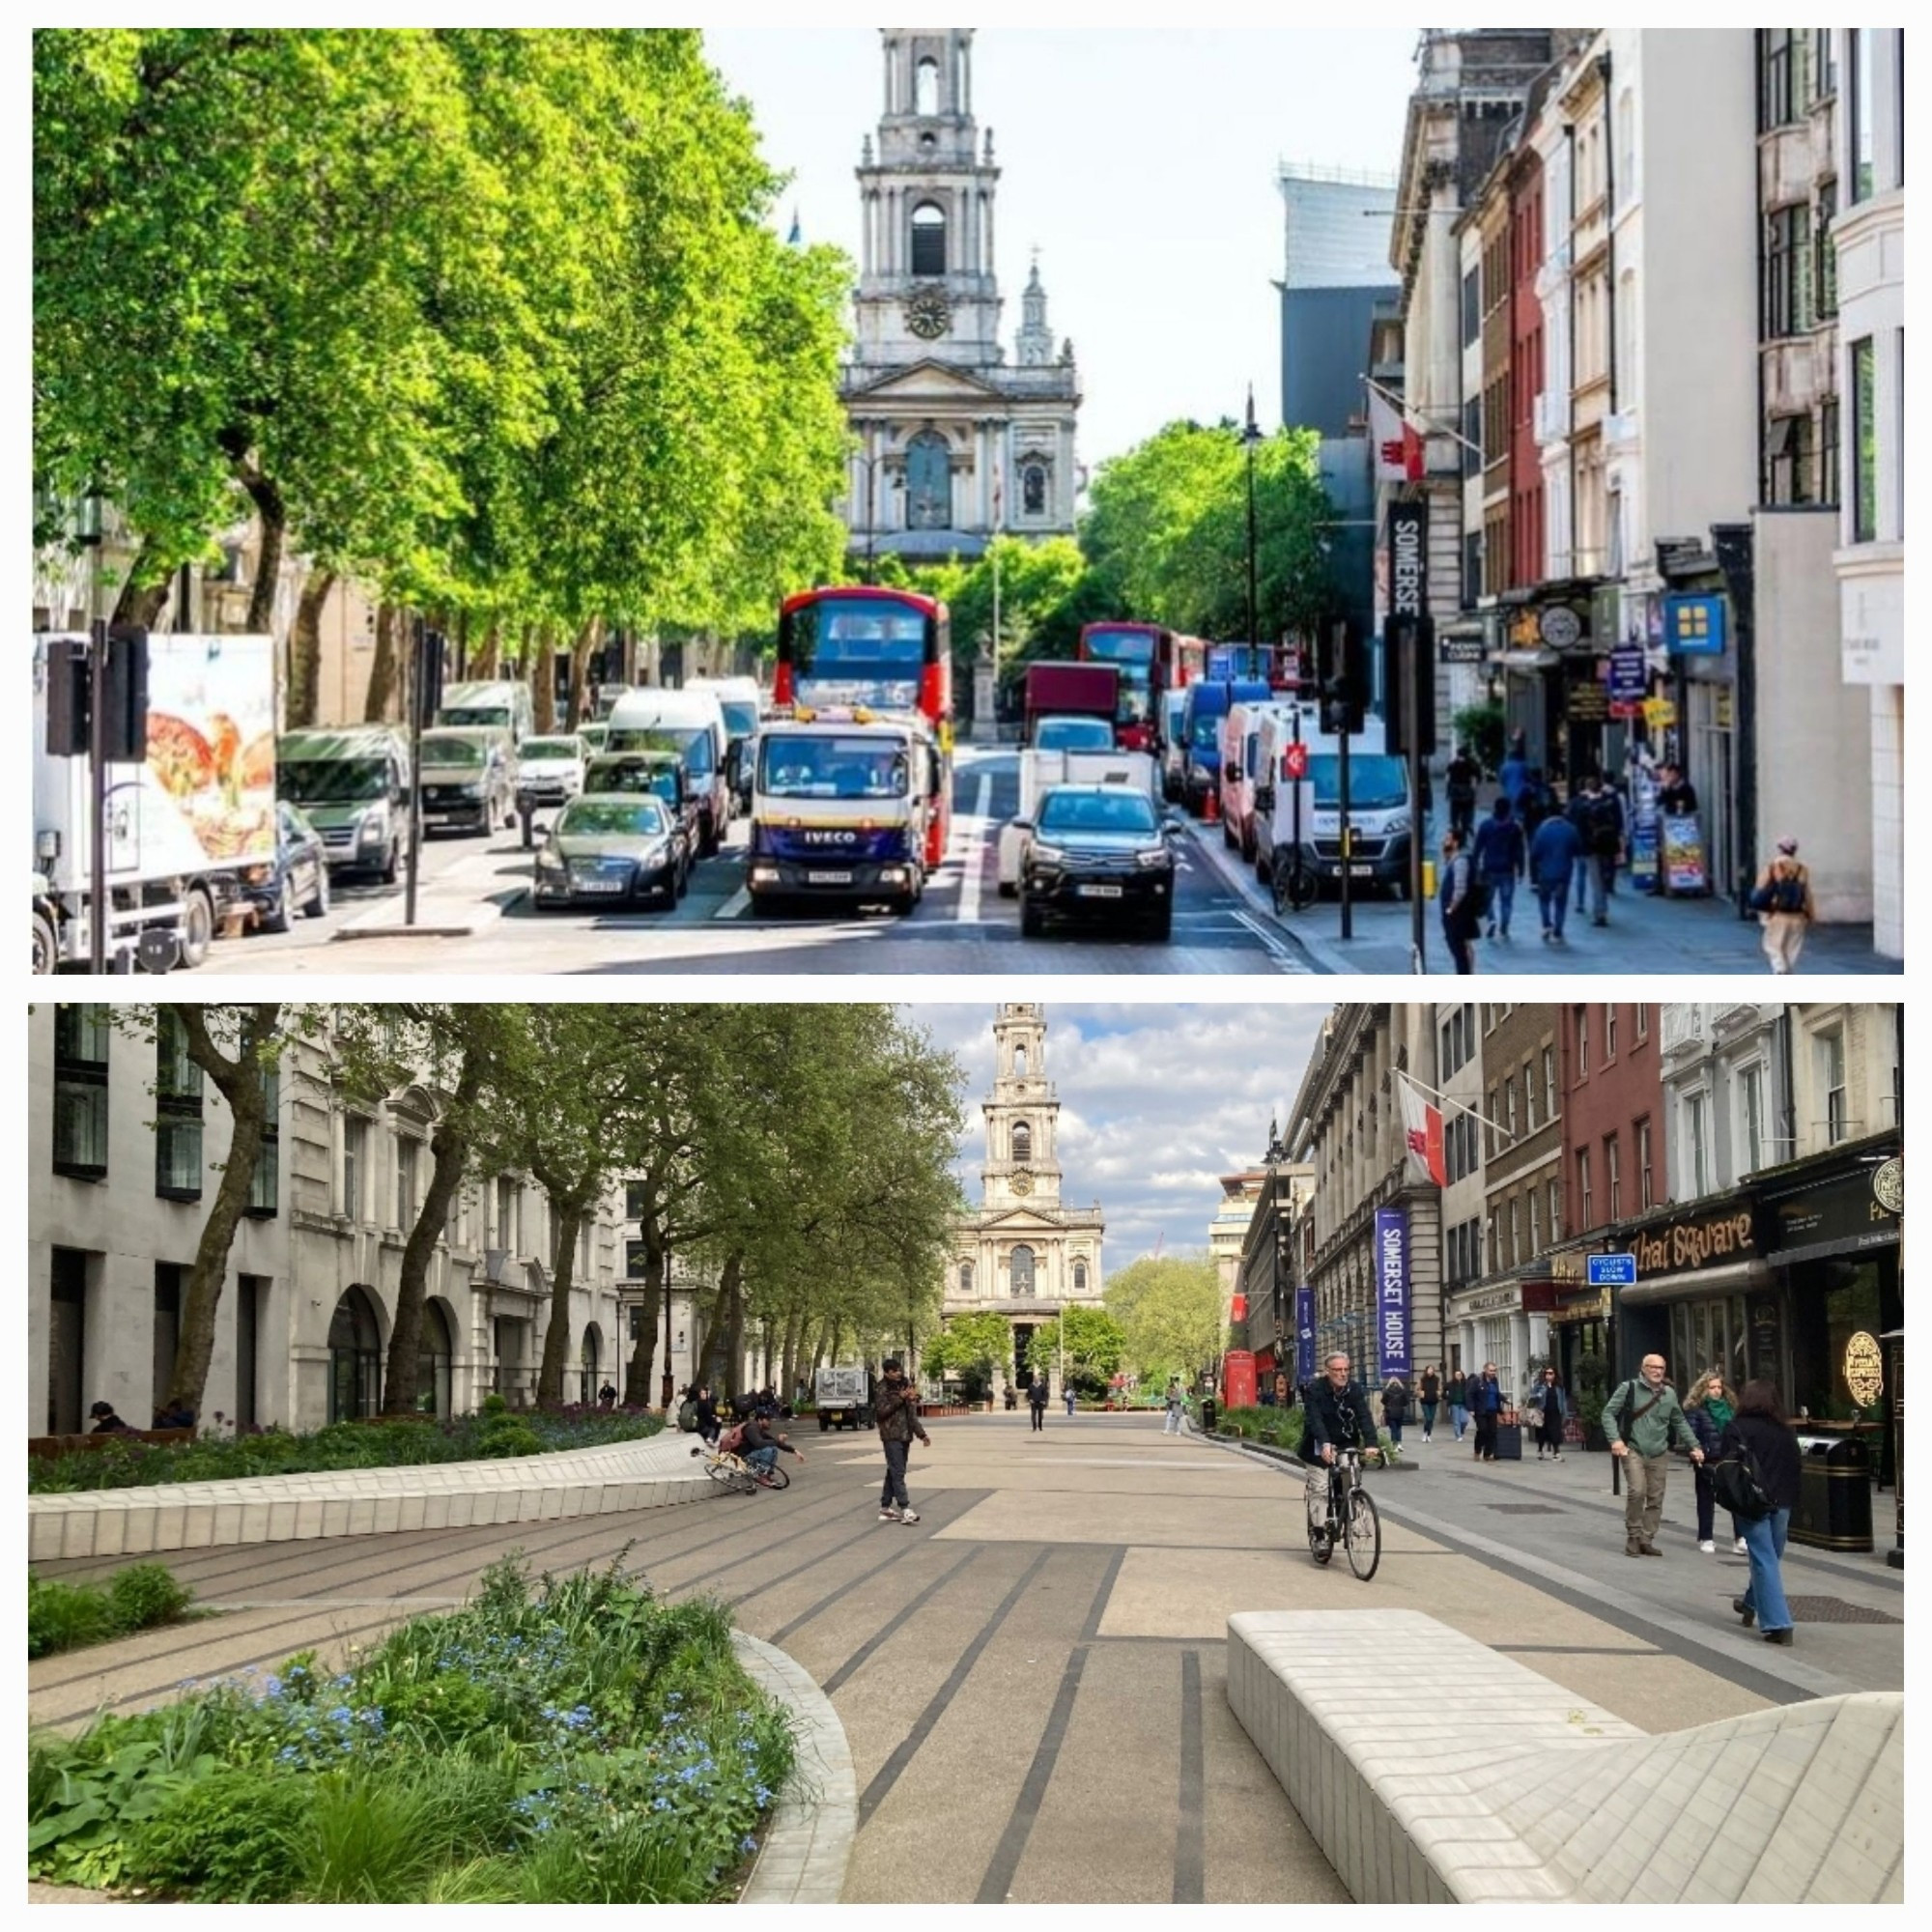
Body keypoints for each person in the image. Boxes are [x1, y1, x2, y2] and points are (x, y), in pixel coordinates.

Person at [1722, 1379, 1803, 1646]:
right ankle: (1749, 1603)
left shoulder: (1737, 1428)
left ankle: (1779, 1624)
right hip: (1783, 1501)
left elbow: (1728, 1466)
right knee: (1771, 1556)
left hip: (1752, 1501)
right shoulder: (1785, 1431)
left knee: (1763, 1557)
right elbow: (1795, 1467)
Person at [1604, 1353, 1705, 1557]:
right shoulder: (1629, 1388)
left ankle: (1646, 1538)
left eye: (1661, 1368)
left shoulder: (1669, 1394)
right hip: (1633, 1449)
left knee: (1656, 1498)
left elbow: (1679, 1421)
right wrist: (1615, 1440)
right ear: (1643, 1369)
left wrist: (1694, 1445)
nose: (1658, 1371)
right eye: (1653, 1367)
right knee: (1637, 1491)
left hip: (1659, 1452)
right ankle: (1633, 1535)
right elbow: (1608, 1413)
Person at [1303, 1352, 1381, 1519]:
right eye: (1338, 1370)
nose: (1343, 1373)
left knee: (1350, 1477)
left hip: (1345, 1443)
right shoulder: (1315, 1390)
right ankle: (1319, 1532)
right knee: (1321, 1488)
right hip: (1318, 1444)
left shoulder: (1354, 1389)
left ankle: (1348, 1508)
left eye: (1346, 1369)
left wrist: (1371, 1443)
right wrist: (1324, 1443)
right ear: (1327, 1371)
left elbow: (1364, 1416)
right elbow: (1315, 1420)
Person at [1684, 1371, 1746, 1555]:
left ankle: (1740, 1538)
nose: (1716, 1391)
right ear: (1704, 1389)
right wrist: (1697, 1451)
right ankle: (1706, 1537)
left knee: (1736, 1498)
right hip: (1708, 1459)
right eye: (1712, 1388)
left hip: (1730, 1458)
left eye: (1719, 1387)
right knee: (1706, 1499)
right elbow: (1691, 1433)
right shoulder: (1697, 1410)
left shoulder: (1731, 1409)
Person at [874, 1356, 930, 1524]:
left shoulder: (905, 1385)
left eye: (899, 1370)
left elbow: (911, 1415)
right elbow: (881, 1413)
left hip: (905, 1435)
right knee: (898, 1471)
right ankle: (905, 1508)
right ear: (887, 1372)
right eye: (895, 1371)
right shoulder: (881, 1388)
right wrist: (899, 1398)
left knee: (894, 1470)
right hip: (891, 1435)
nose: (899, 1373)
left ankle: (885, 1506)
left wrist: (922, 1434)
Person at [1752, 838, 1815, 975]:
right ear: (1795, 850)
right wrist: (1811, 914)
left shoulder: (1773, 866)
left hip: (1778, 914)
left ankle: (1780, 969)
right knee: (1792, 947)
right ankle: (1788, 972)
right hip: (1798, 915)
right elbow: (1807, 894)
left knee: (1772, 945)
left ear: (1780, 849)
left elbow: (1760, 888)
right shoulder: (1802, 869)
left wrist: (1761, 910)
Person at [1471, 797, 1526, 943]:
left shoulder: (1486, 826)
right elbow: (1519, 851)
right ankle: (1504, 927)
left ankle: (1491, 920)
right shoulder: (1514, 828)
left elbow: (1477, 847)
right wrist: (1521, 870)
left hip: (1489, 868)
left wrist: (1474, 864)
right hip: (1507, 869)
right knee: (1506, 901)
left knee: (1487, 899)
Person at [1529, 804, 1584, 945]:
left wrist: (1534, 874)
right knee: (1561, 902)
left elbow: (1534, 853)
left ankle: (1546, 924)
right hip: (1564, 872)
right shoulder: (1571, 829)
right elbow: (1578, 850)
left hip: (1545, 872)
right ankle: (1558, 930)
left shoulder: (1541, 831)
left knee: (1544, 899)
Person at [1438, 830, 1480, 975]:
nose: (1444, 842)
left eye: (1448, 839)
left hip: (1458, 915)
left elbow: (1460, 889)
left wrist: (1450, 909)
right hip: (1458, 914)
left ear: (1455, 843)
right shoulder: (1454, 859)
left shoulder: (1460, 861)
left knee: (1460, 950)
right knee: (1462, 947)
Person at [1586, 779, 1626, 923]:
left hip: (1592, 845)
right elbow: (1620, 821)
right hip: (1609, 843)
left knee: (1595, 879)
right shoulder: (1611, 801)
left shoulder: (1586, 804)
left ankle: (1600, 911)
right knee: (1605, 872)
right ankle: (1608, 887)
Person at [735, 1409, 805, 1485]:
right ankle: (761, 1476)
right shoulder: (751, 1428)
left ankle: (767, 1475)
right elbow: (759, 1443)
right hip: (744, 1459)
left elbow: (774, 1441)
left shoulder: (759, 1429)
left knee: (773, 1449)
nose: (769, 1422)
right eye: (767, 1420)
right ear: (760, 1420)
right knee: (767, 1450)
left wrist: (794, 1451)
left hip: (752, 1456)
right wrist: (777, 1441)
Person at [1526, 1366, 1566, 1462]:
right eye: (1547, 1373)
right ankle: (1540, 1450)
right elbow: (1531, 1395)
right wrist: (1538, 1394)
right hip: (1543, 1412)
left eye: (1551, 1373)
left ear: (1555, 1375)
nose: (1548, 1375)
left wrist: (1565, 1413)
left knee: (1556, 1433)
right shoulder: (1540, 1385)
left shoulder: (1559, 1386)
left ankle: (1556, 1453)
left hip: (1555, 1412)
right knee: (1542, 1433)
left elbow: (1563, 1400)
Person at [1466, 1361, 1504, 1463]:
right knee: (1482, 1430)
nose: (1493, 1373)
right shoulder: (1477, 1381)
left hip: (1492, 1410)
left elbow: (1496, 1393)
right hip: (1480, 1410)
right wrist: (1471, 1409)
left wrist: (1504, 1399)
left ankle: (1487, 1453)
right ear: (1485, 1370)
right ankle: (1477, 1451)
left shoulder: (1494, 1381)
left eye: (1494, 1371)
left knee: (1492, 1432)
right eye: (1491, 1370)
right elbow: (1469, 1394)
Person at [1445, 744, 1481, 841]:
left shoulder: (1452, 764)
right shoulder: (1473, 764)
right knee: (1467, 814)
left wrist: (1448, 792)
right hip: (1467, 793)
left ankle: (1454, 832)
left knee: (1454, 817)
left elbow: (1447, 779)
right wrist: (1474, 792)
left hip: (1455, 793)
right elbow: (1477, 779)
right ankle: (1467, 828)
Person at [1499, 731, 1529, 814]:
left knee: (1511, 811)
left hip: (1508, 791)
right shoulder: (1523, 765)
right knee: (1521, 811)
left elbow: (1502, 780)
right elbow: (1527, 777)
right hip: (1521, 791)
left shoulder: (1504, 766)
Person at [1380, 1373, 1409, 1447]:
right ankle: (1399, 1443)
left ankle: (1394, 1444)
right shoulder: (1402, 1391)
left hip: (1390, 1412)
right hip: (1400, 1411)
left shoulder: (1387, 1391)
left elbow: (1383, 1401)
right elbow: (1406, 1402)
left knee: (1393, 1429)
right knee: (1399, 1428)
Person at [1444, 1368, 1469, 1443]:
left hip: (1463, 1404)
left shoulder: (1466, 1383)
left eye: (1460, 1374)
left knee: (1465, 1420)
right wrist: (1447, 1397)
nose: (1458, 1376)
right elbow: (1443, 1391)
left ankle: (1461, 1431)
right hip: (1454, 1404)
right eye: (1457, 1374)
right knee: (1456, 1421)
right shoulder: (1450, 1384)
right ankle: (1458, 1435)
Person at [693, 1382, 722, 1446]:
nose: (704, 1395)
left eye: (705, 1393)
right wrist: (714, 1419)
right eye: (702, 1393)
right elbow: (707, 1417)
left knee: (716, 1422)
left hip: (702, 1424)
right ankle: (711, 1438)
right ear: (699, 1394)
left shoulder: (707, 1403)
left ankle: (712, 1438)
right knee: (715, 1425)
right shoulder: (703, 1404)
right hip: (701, 1426)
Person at [1418, 1365, 1441, 1443]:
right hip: (1425, 1401)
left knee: (1431, 1419)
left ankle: (1428, 1434)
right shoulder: (1422, 1379)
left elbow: (1440, 1388)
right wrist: (1420, 1393)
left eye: (1432, 1369)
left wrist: (1439, 1393)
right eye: (1429, 1369)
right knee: (1428, 1418)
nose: (1430, 1370)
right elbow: (1418, 1388)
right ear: (1426, 1370)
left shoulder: (1436, 1379)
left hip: (1433, 1400)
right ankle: (1425, 1433)